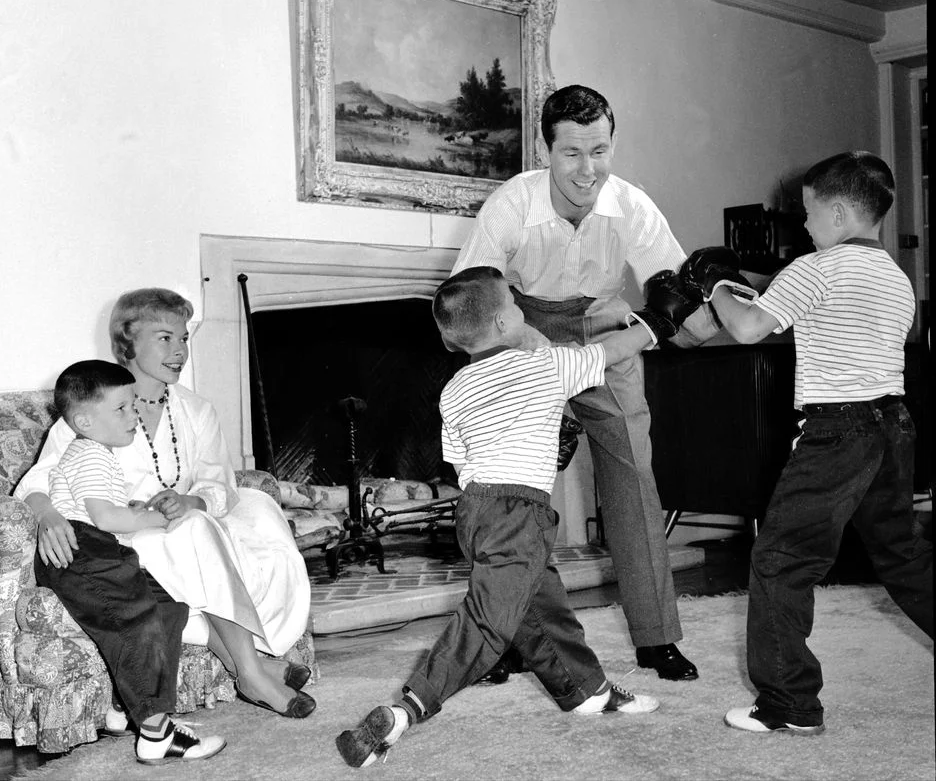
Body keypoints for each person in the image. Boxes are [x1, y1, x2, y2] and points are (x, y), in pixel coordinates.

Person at [335, 265, 700, 769]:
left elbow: (461, 462)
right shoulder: (546, 365)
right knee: (488, 623)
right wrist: (660, 321)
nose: (521, 307)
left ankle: (586, 690)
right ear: (505, 324)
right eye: (513, 301)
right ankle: (406, 709)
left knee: (540, 606)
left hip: (476, 509)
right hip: (518, 511)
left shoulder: (454, 390)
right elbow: (611, 352)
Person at [453, 84, 723, 681]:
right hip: (519, 327)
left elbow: (676, 311)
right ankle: (499, 637)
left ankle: (657, 639)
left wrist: (714, 311)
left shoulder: (633, 206)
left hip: (606, 323)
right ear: (546, 149)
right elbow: (476, 300)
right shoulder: (511, 204)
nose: (587, 170)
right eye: (571, 154)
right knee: (506, 495)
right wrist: (542, 362)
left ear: (613, 143)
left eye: (599, 151)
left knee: (633, 478)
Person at [683, 151, 933, 734]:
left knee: (780, 560)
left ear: (840, 212)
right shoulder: (895, 278)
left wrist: (716, 283)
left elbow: (745, 328)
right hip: (893, 427)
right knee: (903, 555)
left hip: (837, 434)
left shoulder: (815, 268)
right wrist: (752, 287)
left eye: (809, 214)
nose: (803, 226)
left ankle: (788, 704)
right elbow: (817, 313)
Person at [15, 288, 316, 722]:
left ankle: (245, 663)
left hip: (189, 522)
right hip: (127, 534)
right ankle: (251, 672)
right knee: (195, 535)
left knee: (252, 511)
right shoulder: (97, 404)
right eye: (164, 338)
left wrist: (191, 499)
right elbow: (41, 478)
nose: (179, 351)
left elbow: (220, 481)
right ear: (127, 343)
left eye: (184, 339)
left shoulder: (197, 409)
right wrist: (45, 514)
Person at [36, 359, 226, 764]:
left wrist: (133, 509)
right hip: (83, 550)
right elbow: (103, 518)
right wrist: (156, 517)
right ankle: (156, 734)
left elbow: (101, 508)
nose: (133, 415)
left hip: (100, 547)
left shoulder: (93, 454)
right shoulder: (92, 454)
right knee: (136, 618)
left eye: (133, 405)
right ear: (84, 420)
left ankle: (126, 709)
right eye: (121, 408)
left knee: (169, 609)